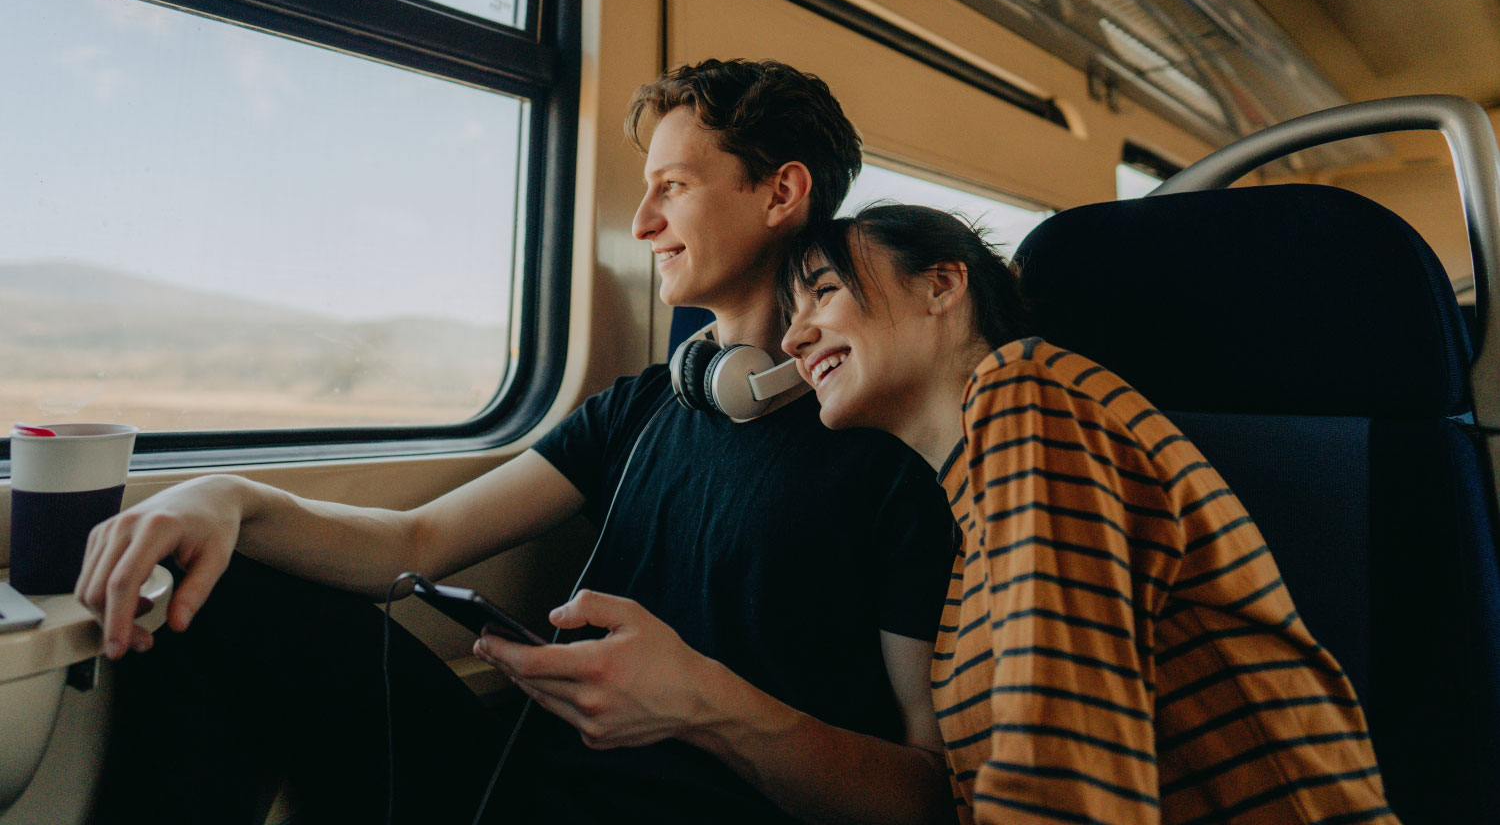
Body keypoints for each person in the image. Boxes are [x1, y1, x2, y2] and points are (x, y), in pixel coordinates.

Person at [77, 61, 958, 825]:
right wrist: (230, 497)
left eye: (674, 187)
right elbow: (413, 545)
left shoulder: (888, 450)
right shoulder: (643, 408)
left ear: (781, 192)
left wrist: (704, 705)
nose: (644, 220)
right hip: (526, 796)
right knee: (226, 585)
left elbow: (930, 795)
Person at [779, 203, 1399, 825]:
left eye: (824, 291)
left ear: (942, 285)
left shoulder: (1024, 393)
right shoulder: (970, 516)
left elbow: (1062, 751)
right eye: (790, 315)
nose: (792, 338)